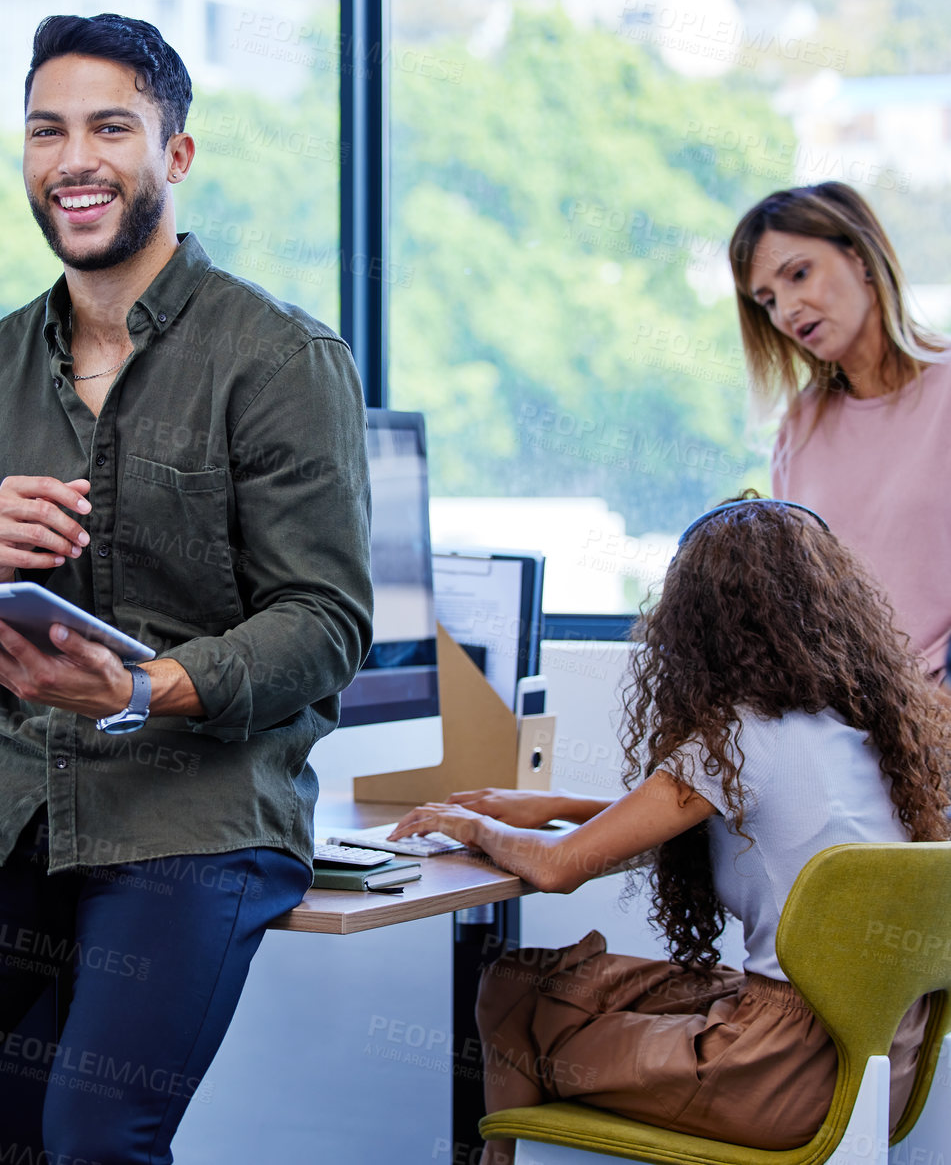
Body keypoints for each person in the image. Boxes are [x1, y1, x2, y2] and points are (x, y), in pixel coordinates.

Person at [0, 13, 373, 1164]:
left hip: (193, 812)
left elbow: (325, 624)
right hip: (7, 798)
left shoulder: (278, 358)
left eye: (110, 126)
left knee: (91, 1138)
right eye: (47, 130)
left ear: (174, 155)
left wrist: (142, 689)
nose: (73, 159)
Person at [389, 494, 950, 1163]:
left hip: (776, 1072)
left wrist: (464, 823)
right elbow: (736, 827)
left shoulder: (736, 738)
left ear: (694, 623)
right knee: (540, 979)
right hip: (879, 1066)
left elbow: (557, 868)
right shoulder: (871, 735)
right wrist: (558, 805)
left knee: (518, 999)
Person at [729, 181, 951, 679]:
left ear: (862, 259)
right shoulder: (799, 430)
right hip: (848, 719)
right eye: (767, 300)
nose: (787, 311)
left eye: (799, 274)